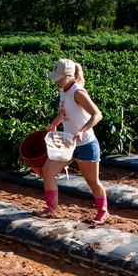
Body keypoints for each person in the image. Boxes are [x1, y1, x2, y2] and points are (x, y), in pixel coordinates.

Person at [38, 58, 108, 225]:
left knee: (92, 182)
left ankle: (103, 212)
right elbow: (65, 111)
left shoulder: (78, 92)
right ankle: (51, 208)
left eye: (59, 78)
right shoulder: (64, 89)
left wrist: (82, 131)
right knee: (47, 170)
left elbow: (97, 114)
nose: (56, 81)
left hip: (86, 145)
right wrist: (55, 123)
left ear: (69, 76)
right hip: (68, 144)